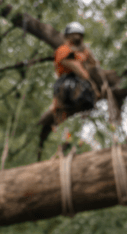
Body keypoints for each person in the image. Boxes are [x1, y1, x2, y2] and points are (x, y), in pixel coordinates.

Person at [38, 22, 100, 155]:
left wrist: (87, 53)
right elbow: (76, 68)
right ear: (67, 36)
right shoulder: (63, 50)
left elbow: (94, 65)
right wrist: (92, 85)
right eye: (74, 34)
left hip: (78, 83)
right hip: (67, 82)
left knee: (85, 104)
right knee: (74, 95)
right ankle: (60, 138)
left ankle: (76, 140)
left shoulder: (81, 53)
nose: (77, 37)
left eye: (79, 35)